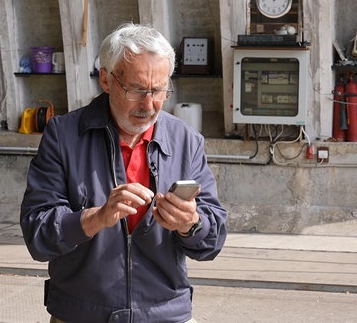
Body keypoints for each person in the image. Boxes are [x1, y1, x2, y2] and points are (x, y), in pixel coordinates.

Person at [20, 23, 227, 323]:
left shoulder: (186, 141)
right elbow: (37, 234)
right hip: (81, 314)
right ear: (106, 78)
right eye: (136, 89)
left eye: (158, 90)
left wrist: (191, 224)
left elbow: (213, 240)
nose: (149, 104)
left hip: (166, 314)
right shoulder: (63, 136)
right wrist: (95, 219)